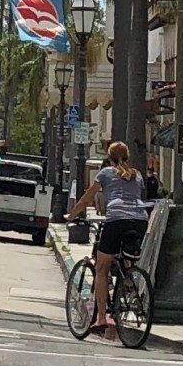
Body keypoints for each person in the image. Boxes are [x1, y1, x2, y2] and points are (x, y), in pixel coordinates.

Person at [65, 140, 149, 339]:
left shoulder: (105, 174)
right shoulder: (137, 176)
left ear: (109, 157)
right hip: (139, 219)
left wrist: (72, 214)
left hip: (116, 219)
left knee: (102, 268)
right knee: (125, 252)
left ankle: (101, 318)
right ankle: (128, 277)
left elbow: (87, 198)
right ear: (127, 157)